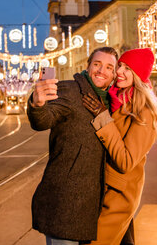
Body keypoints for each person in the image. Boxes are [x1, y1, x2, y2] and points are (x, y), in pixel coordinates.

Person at [27, 47, 118, 244]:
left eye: (109, 67)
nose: (102, 70)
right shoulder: (69, 89)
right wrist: (37, 104)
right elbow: (43, 121)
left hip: (94, 205)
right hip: (65, 201)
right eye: (97, 64)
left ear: (113, 75)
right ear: (88, 66)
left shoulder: (112, 102)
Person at [82, 48, 157, 245]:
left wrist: (102, 118)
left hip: (118, 196)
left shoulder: (144, 112)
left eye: (127, 69)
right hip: (101, 189)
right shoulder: (119, 102)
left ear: (138, 76)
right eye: (120, 65)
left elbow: (126, 161)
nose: (119, 71)